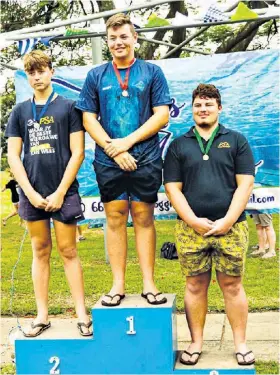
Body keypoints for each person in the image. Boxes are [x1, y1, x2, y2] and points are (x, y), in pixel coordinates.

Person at [76, 13, 171, 306]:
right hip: (108, 161)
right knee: (115, 218)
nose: (118, 42)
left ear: (135, 38)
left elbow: (162, 114)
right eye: (113, 38)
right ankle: (117, 285)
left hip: (146, 157)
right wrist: (114, 150)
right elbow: (88, 118)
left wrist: (126, 144)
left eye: (123, 36)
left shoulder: (152, 72)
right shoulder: (96, 76)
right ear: (108, 41)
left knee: (144, 217)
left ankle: (149, 284)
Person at [164, 84, 255, 366]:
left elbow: (245, 184)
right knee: (194, 286)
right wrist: (192, 220)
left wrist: (228, 220)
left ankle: (240, 344)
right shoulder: (179, 145)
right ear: (192, 109)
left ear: (219, 108)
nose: (203, 109)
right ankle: (196, 343)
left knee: (232, 285)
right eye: (198, 105)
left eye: (208, 104)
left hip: (232, 227)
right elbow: (172, 188)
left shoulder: (236, 141)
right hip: (191, 231)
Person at [6, 50, 92, 337]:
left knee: (69, 250)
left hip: (63, 192)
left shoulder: (69, 108)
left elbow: (78, 152)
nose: (37, 76)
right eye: (31, 72)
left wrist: (60, 192)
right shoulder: (18, 112)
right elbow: (14, 157)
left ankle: (82, 313)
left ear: (51, 71)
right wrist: (28, 192)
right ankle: (42, 315)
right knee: (40, 250)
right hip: (33, 193)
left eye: (41, 70)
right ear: (27, 76)